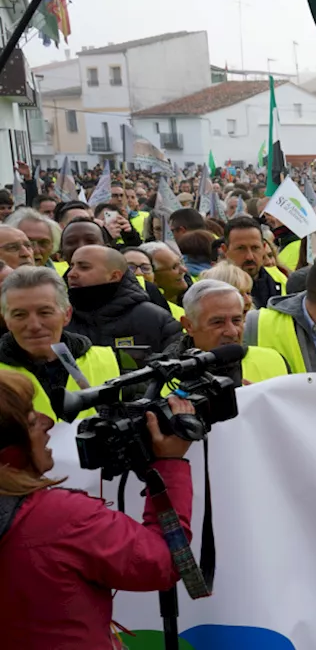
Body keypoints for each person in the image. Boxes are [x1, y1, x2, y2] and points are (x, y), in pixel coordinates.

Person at [0, 371, 197, 647]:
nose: (47, 422)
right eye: (32, 420)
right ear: (11, 453)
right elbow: (167, 561)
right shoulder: (59, 519)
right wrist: (171, 464)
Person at [0, 267, 121, 420]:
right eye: (20, 315)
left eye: (45, 312)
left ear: (67, 315)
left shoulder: (109, 360)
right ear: (6, 320)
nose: (34, 325)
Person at [65, 245, 183, 353]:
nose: (71, 274)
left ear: (114, 275)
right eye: (72, 266)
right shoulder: (61, 317)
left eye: (84, 267)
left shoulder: (156, 320)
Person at [175, 279, 288, 383]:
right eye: (218, 322)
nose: (232, 332)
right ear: (189, 326)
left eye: (236, 320)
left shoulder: (273, 360)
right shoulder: (166, 378)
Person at [222, 217, 288, 309]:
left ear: (264, 247)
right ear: (225, 250)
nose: (250, 256)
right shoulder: (215, 288)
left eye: (255, 248)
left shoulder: (281, 280)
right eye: (241, 248)